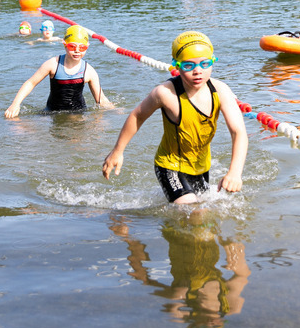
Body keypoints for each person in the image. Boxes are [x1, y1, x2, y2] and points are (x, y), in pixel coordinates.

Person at [102, 31, 247, 204]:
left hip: (201, 166)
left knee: (205, 224)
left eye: (205, 63)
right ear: (177, 66)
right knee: (193, 210)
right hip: (169, 166)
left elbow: (238, 132)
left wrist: (235, 172)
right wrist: (117, 151)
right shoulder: (165, 94)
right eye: (188, 66)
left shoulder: (221, 91)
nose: (197, 71)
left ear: (212, 62)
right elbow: (137, 116)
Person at [4, 25, 113, 118]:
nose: (77, 51)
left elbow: (101, 100)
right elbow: (31, 82)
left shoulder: (88, 71)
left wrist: (116, 112)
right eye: (72, 46)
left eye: (82, 48)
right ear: (64, 44)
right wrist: (15, 104)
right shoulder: (53, 64)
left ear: (87, 47)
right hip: (51, 111)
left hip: (78, 113)